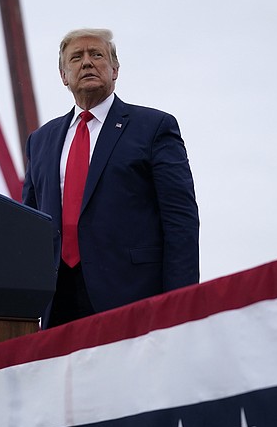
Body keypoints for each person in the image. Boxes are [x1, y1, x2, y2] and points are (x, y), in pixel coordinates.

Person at [22, 28, 200, 328]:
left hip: (132, 297)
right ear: (64, 76)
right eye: (76, 57)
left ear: (115, 69)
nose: (87, 62)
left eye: (97, 55)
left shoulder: (154, 127)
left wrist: (180, 302)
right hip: (57, 302)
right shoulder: (41, 140)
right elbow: (29, 225)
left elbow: (180, 220)